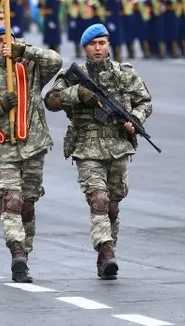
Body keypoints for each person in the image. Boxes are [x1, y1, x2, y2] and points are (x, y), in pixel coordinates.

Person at [43, 24, 153, 280]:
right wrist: (78, 93)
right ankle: (105, 252)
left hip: (118, 147)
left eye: (102, 43)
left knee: (112, 206)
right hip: (87, 148)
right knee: (98, 201)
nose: (98, 48)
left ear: (108, 45)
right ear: (85, 48)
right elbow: (51, 100)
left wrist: (135, 118)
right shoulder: (74, 75)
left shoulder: (125, 74)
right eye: (93, 44)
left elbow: (145, 101)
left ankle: (108, 249)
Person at [0, 25, 63, 282]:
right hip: (2, 148)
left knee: (28, 205)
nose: (5, 45)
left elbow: (57, 61)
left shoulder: (29, 68)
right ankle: (16, 253)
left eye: (10, 40)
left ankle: (25, 252)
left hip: (33, 147)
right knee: (11, 201)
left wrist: (23, 50)